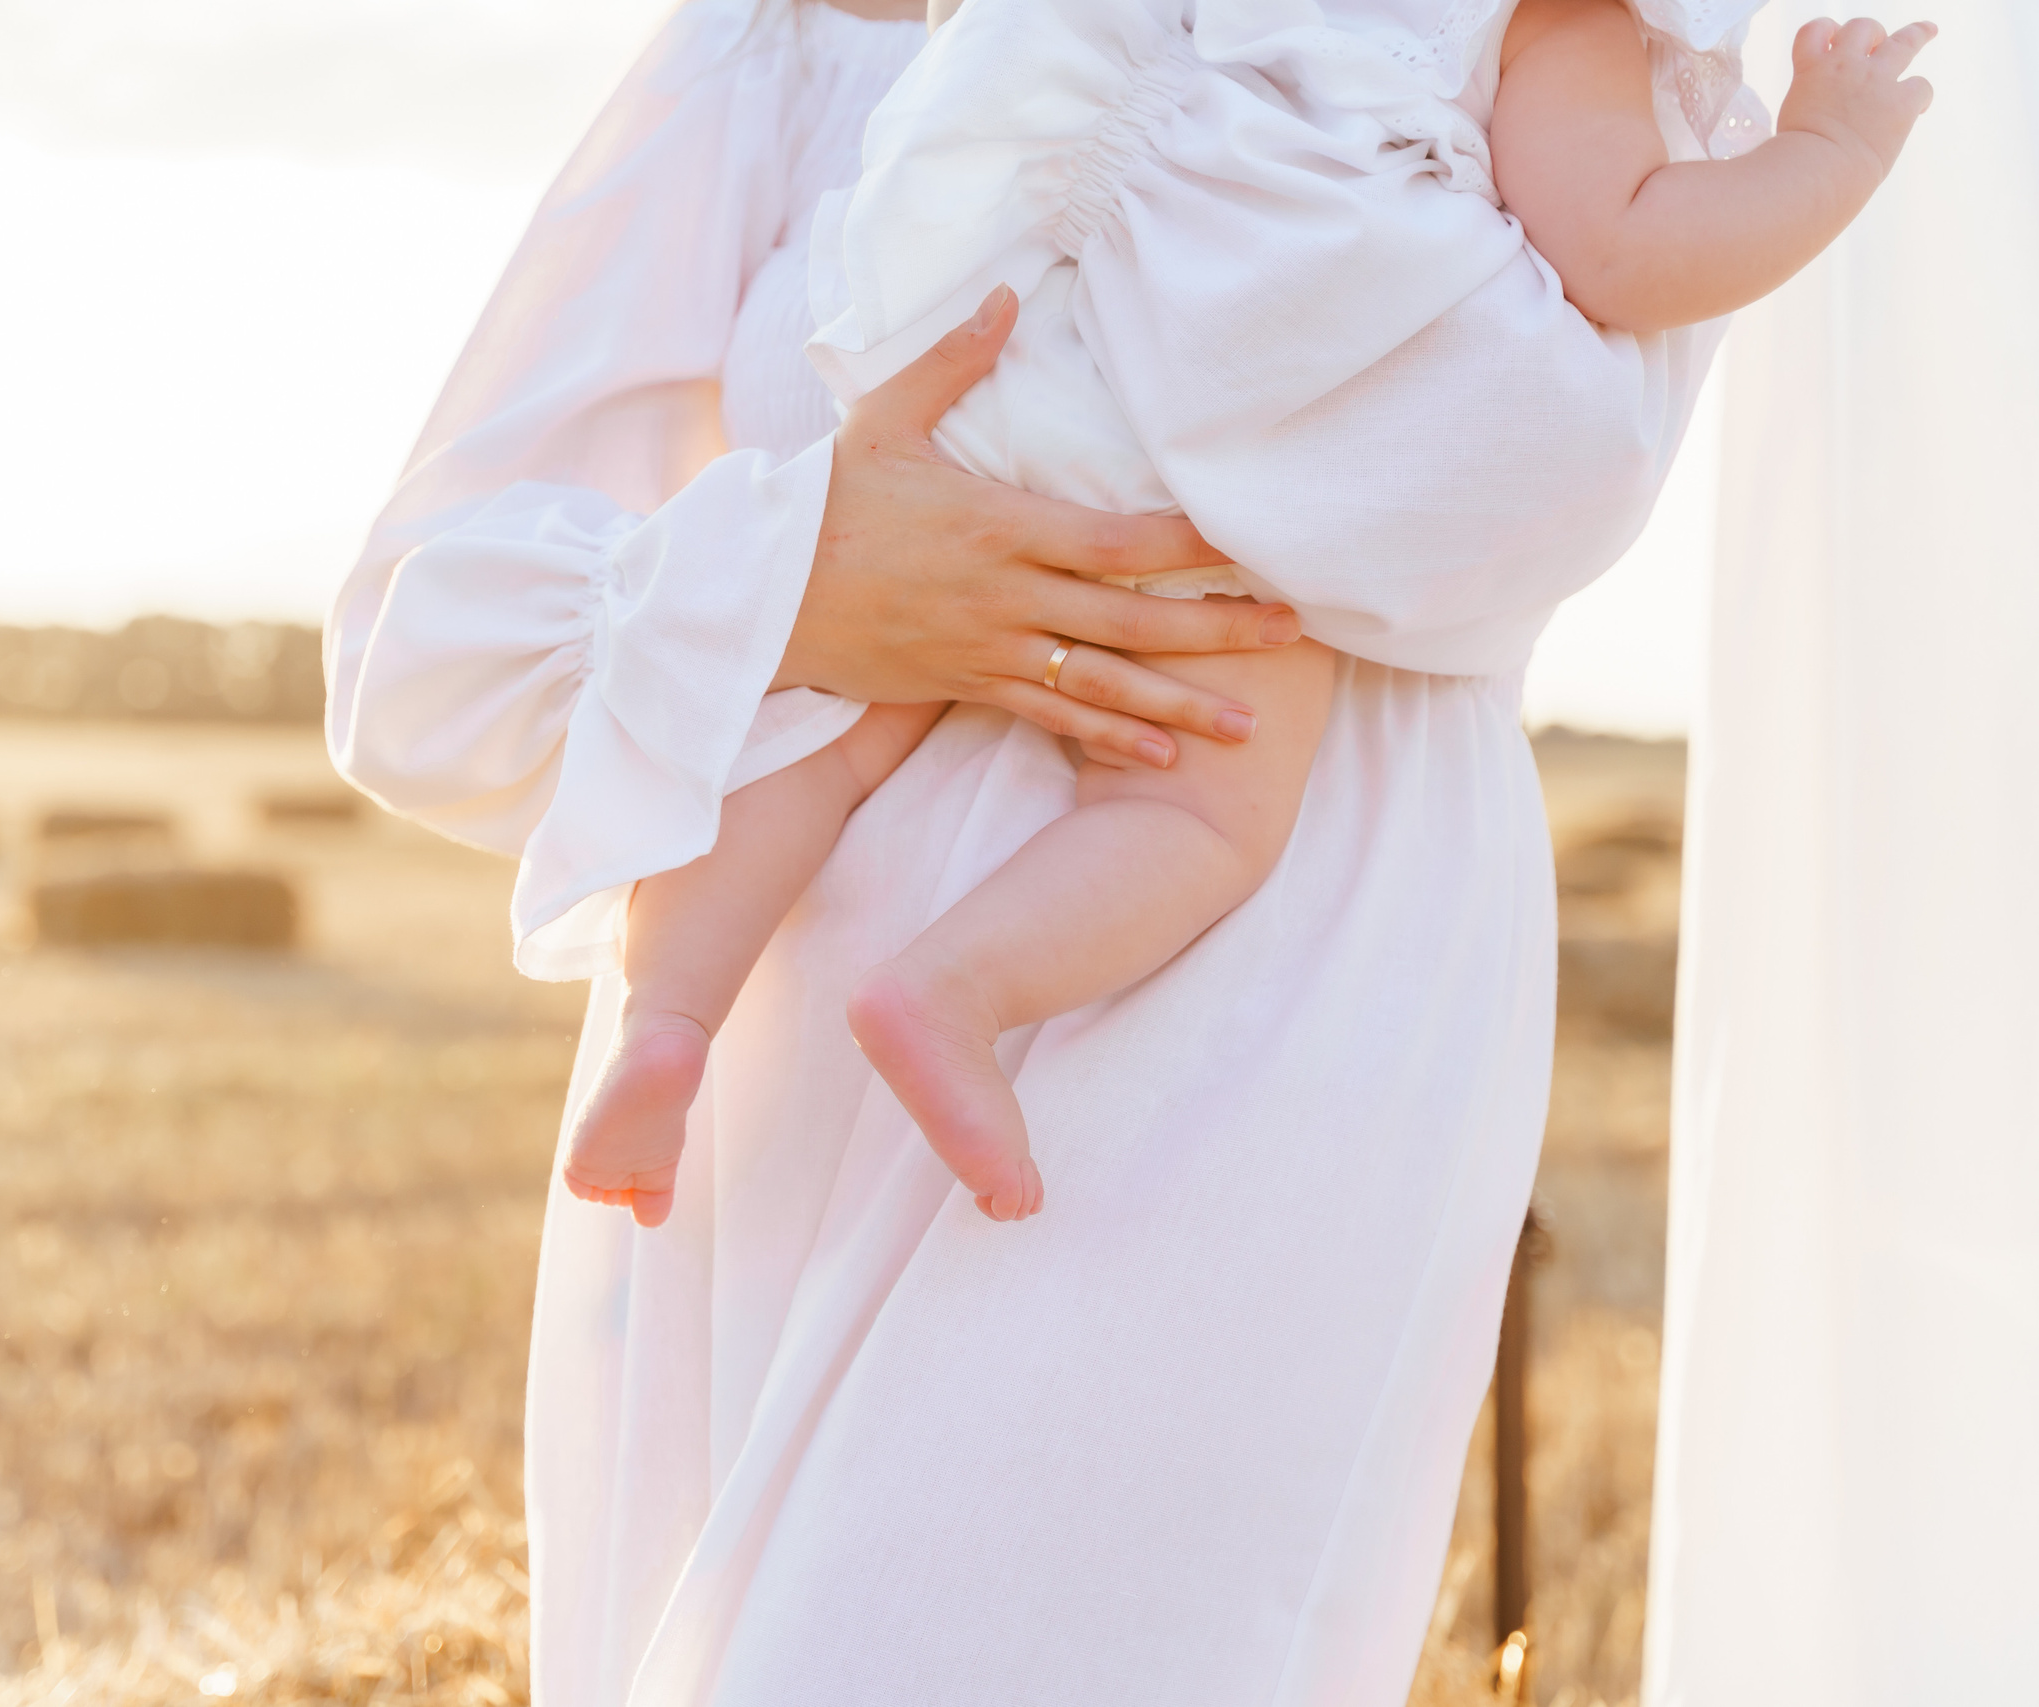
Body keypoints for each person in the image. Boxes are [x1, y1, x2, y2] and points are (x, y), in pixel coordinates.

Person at [329, 0, 1769, 1698]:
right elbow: (413, 656)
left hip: (1262, 1019)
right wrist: (798, 574)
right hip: (775, 1061)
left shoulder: (1548, 43)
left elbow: (1560, 464)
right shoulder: (783, 42)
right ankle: (678, 1019)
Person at [559, 0, 1935, 1229]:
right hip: (1195, 468)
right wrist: (1831, 151)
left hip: (1015, 344)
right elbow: (1624, 251)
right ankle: (953, 990)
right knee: (1201, 808)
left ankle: (666, 1019)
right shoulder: (1553, 23)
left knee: (832, 718)